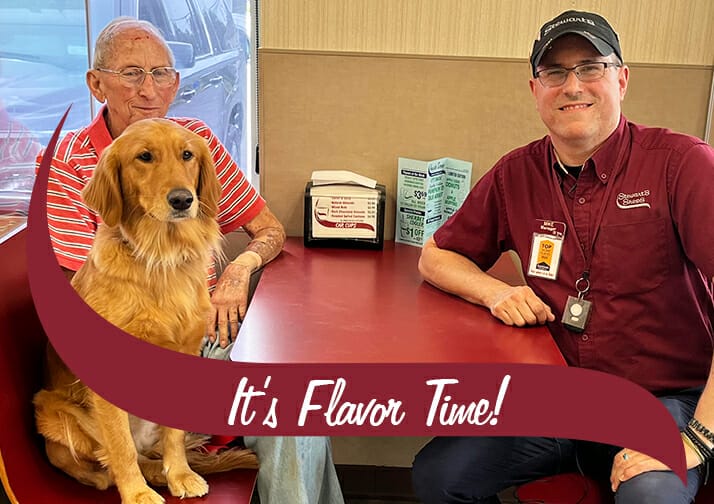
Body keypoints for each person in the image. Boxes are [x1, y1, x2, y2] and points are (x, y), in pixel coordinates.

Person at [411, 9, 714, 504]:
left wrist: (700, 437)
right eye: (555, 73)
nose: (572, 86)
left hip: (661, 400)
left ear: (621, 78)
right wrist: (497, 292)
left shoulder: (682, 164)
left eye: (590, 67)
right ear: (536, 91)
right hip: (559, 402)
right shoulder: (516, 174)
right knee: (440, 476)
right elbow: (435, 257)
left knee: (652, 495)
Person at [41, 17, 344, 504]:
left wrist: (235, 273)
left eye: (161, 73)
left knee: (294, 398)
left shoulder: (195, 142)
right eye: (132, 73)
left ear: (177, 83)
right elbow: (81, 300)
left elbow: (266, 228)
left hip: (203, 327)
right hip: (129, 358)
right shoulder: (70, 160)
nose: (149, 89)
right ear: (96, 83)